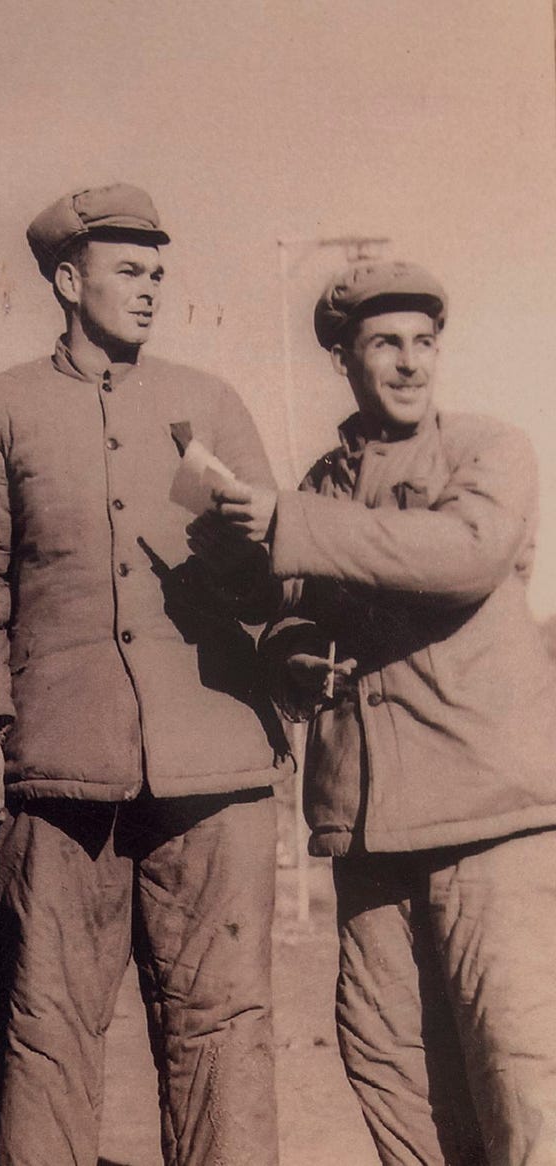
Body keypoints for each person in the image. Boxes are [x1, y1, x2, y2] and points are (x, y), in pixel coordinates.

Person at [0, 183, 285, 1164]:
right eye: (127, 272)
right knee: (47, 1019)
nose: (149, 291)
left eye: (157, 274)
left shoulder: (203, 404)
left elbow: (263, 578)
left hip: (212, 749)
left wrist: (247, 548)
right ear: (66, 278)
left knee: (222, 1019)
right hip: (58, 755)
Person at [204, 259, 556, 1165]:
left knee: (518, 1066)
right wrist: (291, 653)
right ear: (343, 360)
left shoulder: (490, 448)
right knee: (390, 1065)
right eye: (384, 343)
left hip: (490, 816)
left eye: (424, 343)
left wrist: (291, 522)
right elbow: (298, 608)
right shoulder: (322, 482)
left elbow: (462, 554)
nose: (409, 362)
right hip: (365, 828)